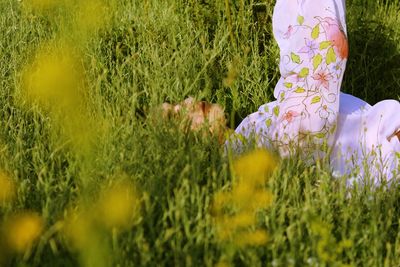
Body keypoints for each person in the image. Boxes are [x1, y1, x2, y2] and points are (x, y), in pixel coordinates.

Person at [163, 0, 400, 184]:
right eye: (176, 114)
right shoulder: (239, 159)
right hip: (386, 148)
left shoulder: (248, 130)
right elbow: (304, 139)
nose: (190, 101)